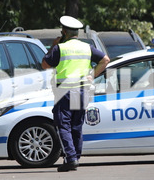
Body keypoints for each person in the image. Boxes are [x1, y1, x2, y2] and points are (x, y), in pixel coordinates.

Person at [41, 16, 109, 172]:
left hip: (65, 91)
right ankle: (75, 157)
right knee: (76, 125)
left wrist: (53, 47)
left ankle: (70, 158)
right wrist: (93, 74)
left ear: (64, 32)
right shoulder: (87, 47)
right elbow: (105, 60)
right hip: (82, 90)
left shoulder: (61, 48)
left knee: (63, 125)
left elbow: (45, 64)